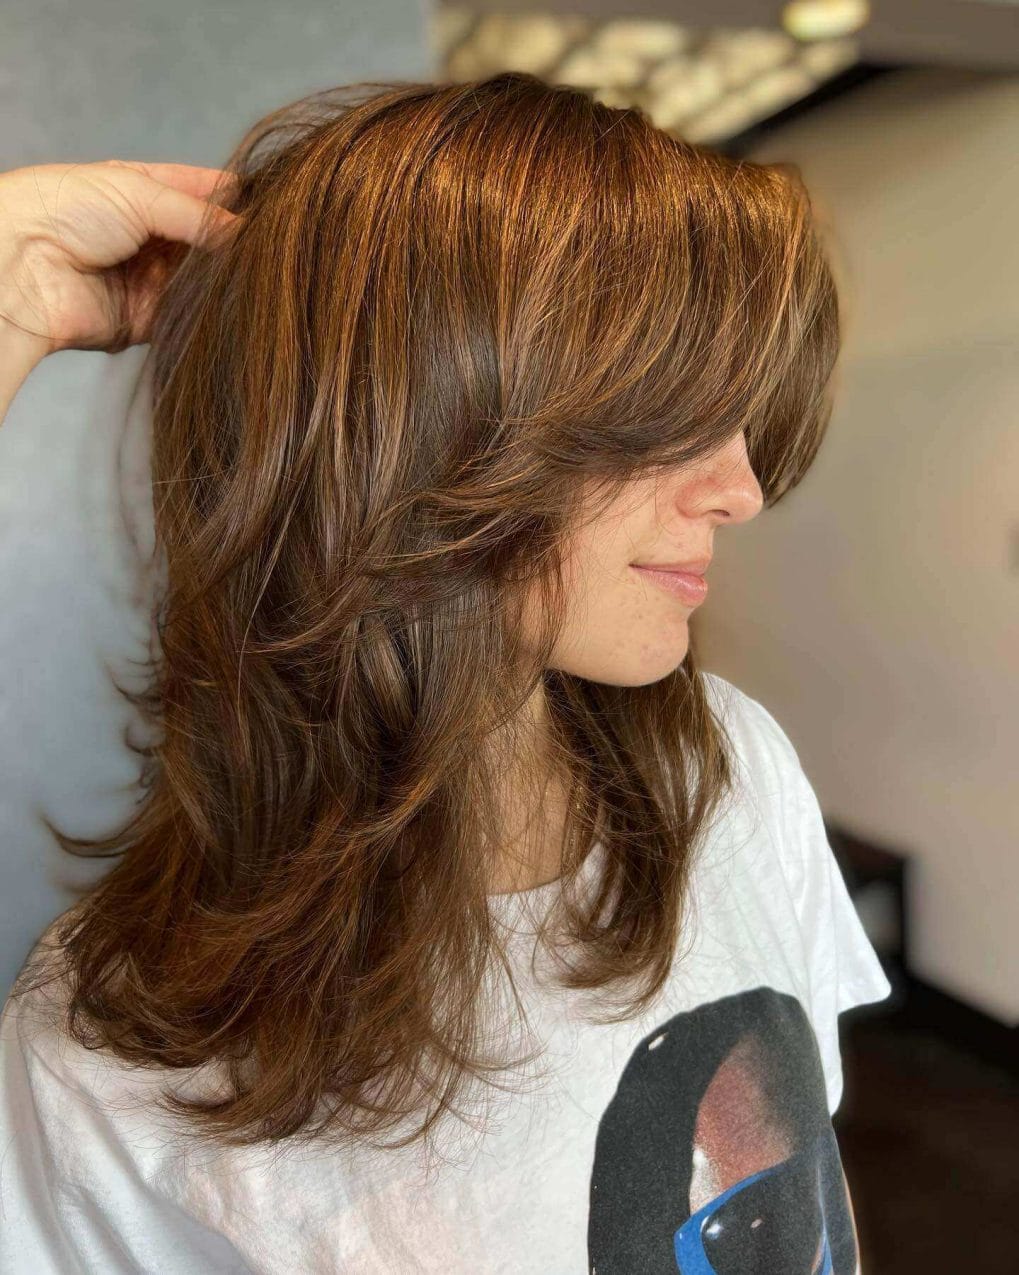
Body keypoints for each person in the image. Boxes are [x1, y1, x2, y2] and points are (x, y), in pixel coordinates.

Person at [0, 72, 891, 1274]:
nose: (741, 487)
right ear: (432, 419)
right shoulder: (113, 1047)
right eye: (667, 412)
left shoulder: (722, 769)